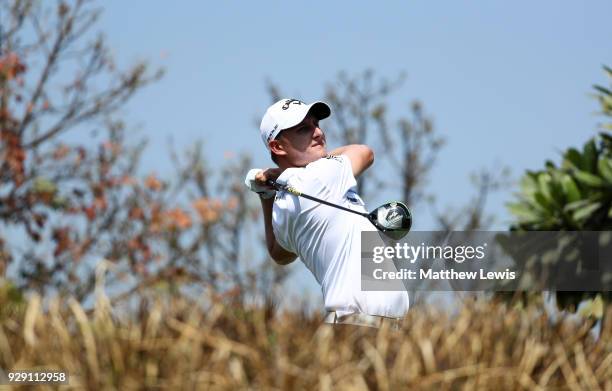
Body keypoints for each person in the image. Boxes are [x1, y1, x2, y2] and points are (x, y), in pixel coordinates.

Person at [244, 98, 409, 328]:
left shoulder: (282, 206)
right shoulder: (322, 175)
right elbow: (364, 152)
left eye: (316, 124)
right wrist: (279, 174)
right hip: (361, 322)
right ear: (278, 147)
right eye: (304, 129)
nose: (319, 133)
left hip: (360, 323)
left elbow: (278, 253)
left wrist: (266, 194)